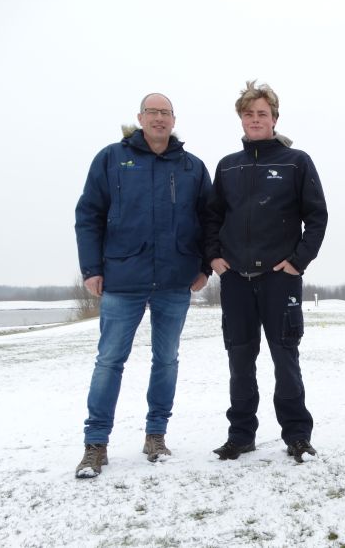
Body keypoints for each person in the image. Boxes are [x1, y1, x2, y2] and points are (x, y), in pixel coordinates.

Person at [74, 93, 213, 478]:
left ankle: (156, 435)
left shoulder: (191, 167)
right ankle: (96, 443)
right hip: (122, 277)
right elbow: (89, 215)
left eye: (165, 113)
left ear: (173, 119)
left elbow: (209, 220)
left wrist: (204, 267)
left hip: (174, 280)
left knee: (166, 360)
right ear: (140, 117)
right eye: (151, 112)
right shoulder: (112, 159)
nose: (158, 119)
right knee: (109, 361)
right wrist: (91, 269)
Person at [205, 81, 328, 463]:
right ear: (240, 119)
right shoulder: (228, 166)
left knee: (285, 358)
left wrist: (298, 261)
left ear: (274, 118)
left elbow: (317, 217)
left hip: (280, 280)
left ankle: (297, 436)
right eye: (248, 114)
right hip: (237, 280)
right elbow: (211, 218)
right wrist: (214, 257)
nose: (255, 120)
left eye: (262, 114)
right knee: (240, 361)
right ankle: (241, 435)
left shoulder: (296, 162)